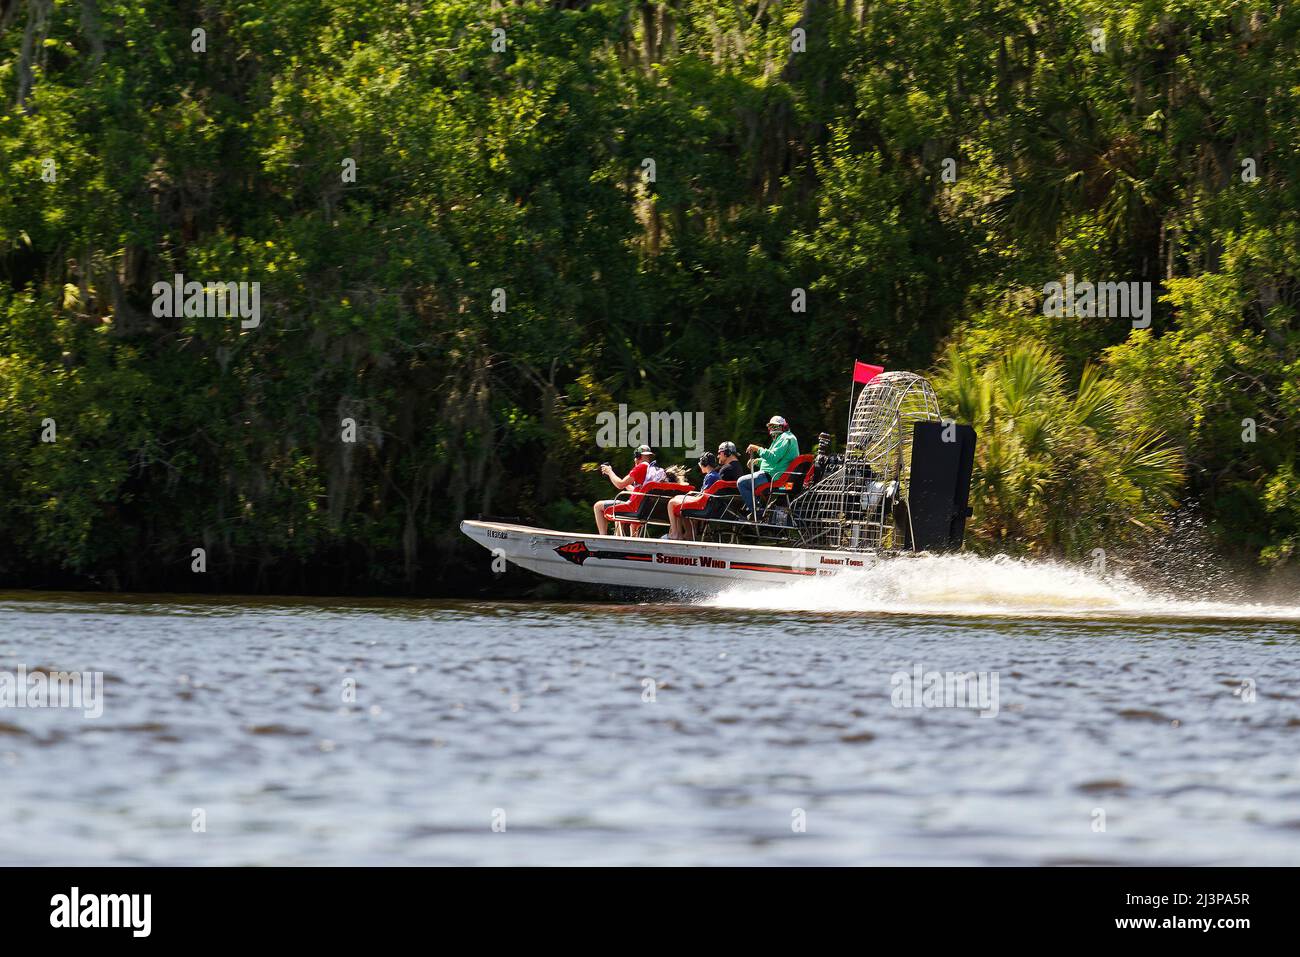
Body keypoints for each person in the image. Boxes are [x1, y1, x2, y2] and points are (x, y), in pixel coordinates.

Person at [738, 416, 799, 516]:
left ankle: (757, 513)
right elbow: (776, 461)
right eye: (770, 427)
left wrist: (757, 448)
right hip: (775, 475)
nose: (771, 430)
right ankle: (759, 510)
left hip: (774, 477)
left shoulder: (785, 438)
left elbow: (773, 457)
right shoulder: (784, 438)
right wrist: (757, 461)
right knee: (748, 484)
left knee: (742, 483)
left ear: (782, 427)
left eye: (773, 427)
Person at [594, 445, 660, 535]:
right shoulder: (652, 470)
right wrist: (625, 483)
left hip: (633, 507)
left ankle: (603, 538)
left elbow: (620, 485)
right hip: (644, 508)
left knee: (598, 506)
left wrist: (609, 472)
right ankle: (618, 540)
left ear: (637, 456)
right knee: (618, 514)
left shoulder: (641, 467)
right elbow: (639, 491)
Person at [665, 452, 718, 540]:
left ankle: (675, 533)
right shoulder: (715, 475)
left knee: (671, 502)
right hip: (708, 504)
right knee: (678, 501)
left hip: (703, 505)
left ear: (704, 463)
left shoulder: (710, 476)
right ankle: (688, 534)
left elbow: (704, 495)